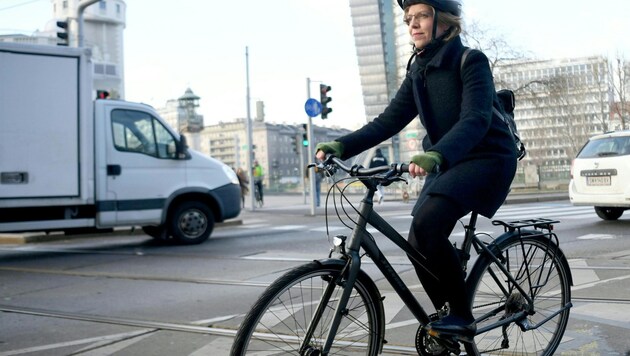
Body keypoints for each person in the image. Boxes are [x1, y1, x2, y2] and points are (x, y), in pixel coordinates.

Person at [315, 0, 517, 340]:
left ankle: (462, 318)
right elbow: (388, 121)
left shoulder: (471, 61)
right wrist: (342, 146)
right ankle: (446, 318)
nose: (413, 24)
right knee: (417, 240)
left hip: (487, 157)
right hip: (446, 159)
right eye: (409, 18)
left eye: (422, 16)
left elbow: (475, 119)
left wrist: (437, 154)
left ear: (445, 20)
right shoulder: (418, 70)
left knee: (428, 223)